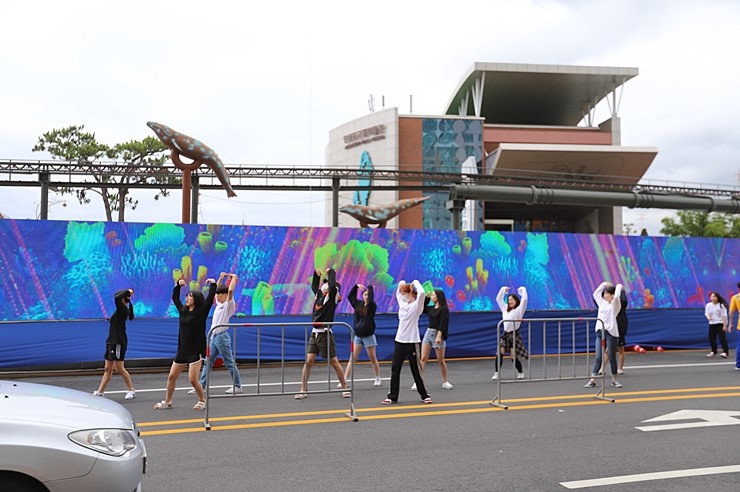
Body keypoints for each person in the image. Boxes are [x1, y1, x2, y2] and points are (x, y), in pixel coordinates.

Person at [154, 277, 217, 410]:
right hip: (182, 350)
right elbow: (175, 298)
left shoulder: (201, 312)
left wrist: (213, 284)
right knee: (171, 376)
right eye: (187, 296)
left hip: (196, 351)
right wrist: (178, 286)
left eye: (190, 296)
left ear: (196, 299)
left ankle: (202, 400)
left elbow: (210, 299)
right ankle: (168, 401)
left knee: (193, 379)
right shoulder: (183, 311)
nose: (187, 298)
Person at [295, 268, 350, 399]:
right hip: (315, 334)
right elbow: (314, 287)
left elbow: (332, 286)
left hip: (325, 334)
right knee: (308, 361)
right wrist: (316, 275)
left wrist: (331, 271)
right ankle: (303, 389)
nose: (324, 285)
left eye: (327, 283)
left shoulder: (332, 299)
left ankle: (345, 388)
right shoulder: (319, 296)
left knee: (334, 362)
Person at [382, 280, 432, 405]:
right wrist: (403, 283)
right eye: (405, 294)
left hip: (412, 341)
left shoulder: (417, 307)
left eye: (408, 294)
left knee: (416, 369)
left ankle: (424, 394)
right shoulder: (402, 305)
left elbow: (421, 293)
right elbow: (398, 292)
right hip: (400, 341)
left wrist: (415, 283)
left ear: (412, 295)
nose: (405, 296)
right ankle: (392, 396)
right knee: (395, 369)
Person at [192, 272, 242, 395]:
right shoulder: (219, 303)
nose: (218, 296)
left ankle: (237, 386)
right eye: (217, 294)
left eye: (220, 294)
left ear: (225, 295)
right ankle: (201, 386)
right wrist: (219, 279)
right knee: (208, 362)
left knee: (229, 362)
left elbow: (230, 292)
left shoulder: (229, 305)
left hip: (222, 337)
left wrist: (234, 278)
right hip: (213, 337)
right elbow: (215, 291)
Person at [93, 288, 136, 400]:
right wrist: (127, 293)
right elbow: (117, 296)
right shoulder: (119, 310)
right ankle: (100, 391)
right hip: (111, 341)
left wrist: (128, 291)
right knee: (108, 368)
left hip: (118, 342)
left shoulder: (123, 310)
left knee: (119, 368)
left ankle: (131, 390)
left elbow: (116, 296)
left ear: (123, 299)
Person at [585, 282, 624, 388]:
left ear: (611, 295)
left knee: (611, 356)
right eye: (604, 293)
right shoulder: (602, 303)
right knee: (598, 357)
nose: (604, 295)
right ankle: (592, 380)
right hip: (600, 332)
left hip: (611, 334)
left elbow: (616, 297)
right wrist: (603, 284)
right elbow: (595, 294)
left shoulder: (615, 305)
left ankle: (614, 379)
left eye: (607, 293)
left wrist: (619, 286)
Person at [343, 283, 382, 387]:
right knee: (353, 357)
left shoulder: (372, 306)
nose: (366, 297)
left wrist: (369, 287)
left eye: (368, 295)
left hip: (369, 336)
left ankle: (377, 377)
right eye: (364, 295)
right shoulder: (358, 305)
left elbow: (371, 299)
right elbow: (350, 297)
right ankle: (344, 379)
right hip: (358, 336)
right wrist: (355, 286)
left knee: (372, 357)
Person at [416, 288, 452, 390]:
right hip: (429, 332)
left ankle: (445, 381)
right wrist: (426, 298)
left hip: (438, 333)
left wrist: (439, 336)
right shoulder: (431, 308)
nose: (432, 296)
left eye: (433, 295)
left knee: (440, 360)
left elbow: (443, 323)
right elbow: (422, 308)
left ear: (438, 297)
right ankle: (419, 381)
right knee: (423, 358)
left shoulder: (444, 309)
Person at [492, 286, 528, 380]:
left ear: (516, 301)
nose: (510, 301)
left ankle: (520, 372)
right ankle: (496, 372)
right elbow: (498, 299)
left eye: (512, 300)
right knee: (500, 353)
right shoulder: (504, 308)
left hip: (514, 335)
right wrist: (503, 290)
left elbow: (524, 300)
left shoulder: (519, 310)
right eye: (509, 300)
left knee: (513, 356)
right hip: (505, 334)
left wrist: (522, 290)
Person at [705, 291, 729, 359]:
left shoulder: (721, 305)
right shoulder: (708, 305)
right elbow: (706, 313)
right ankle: (714, 351)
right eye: (712, 297)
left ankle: (725, 352)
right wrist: (708, 317)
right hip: (712, 324)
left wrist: (724, 325)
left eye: (715, 297)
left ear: (718, 298)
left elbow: (724, 316)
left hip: (720, 323)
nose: (713, 298)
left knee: (722, 338)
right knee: (711, 338)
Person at [730, 282, 740, 370]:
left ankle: (738, 364)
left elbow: (731, 312)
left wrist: (730, 323)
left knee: (739, 344)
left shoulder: (735, 297)